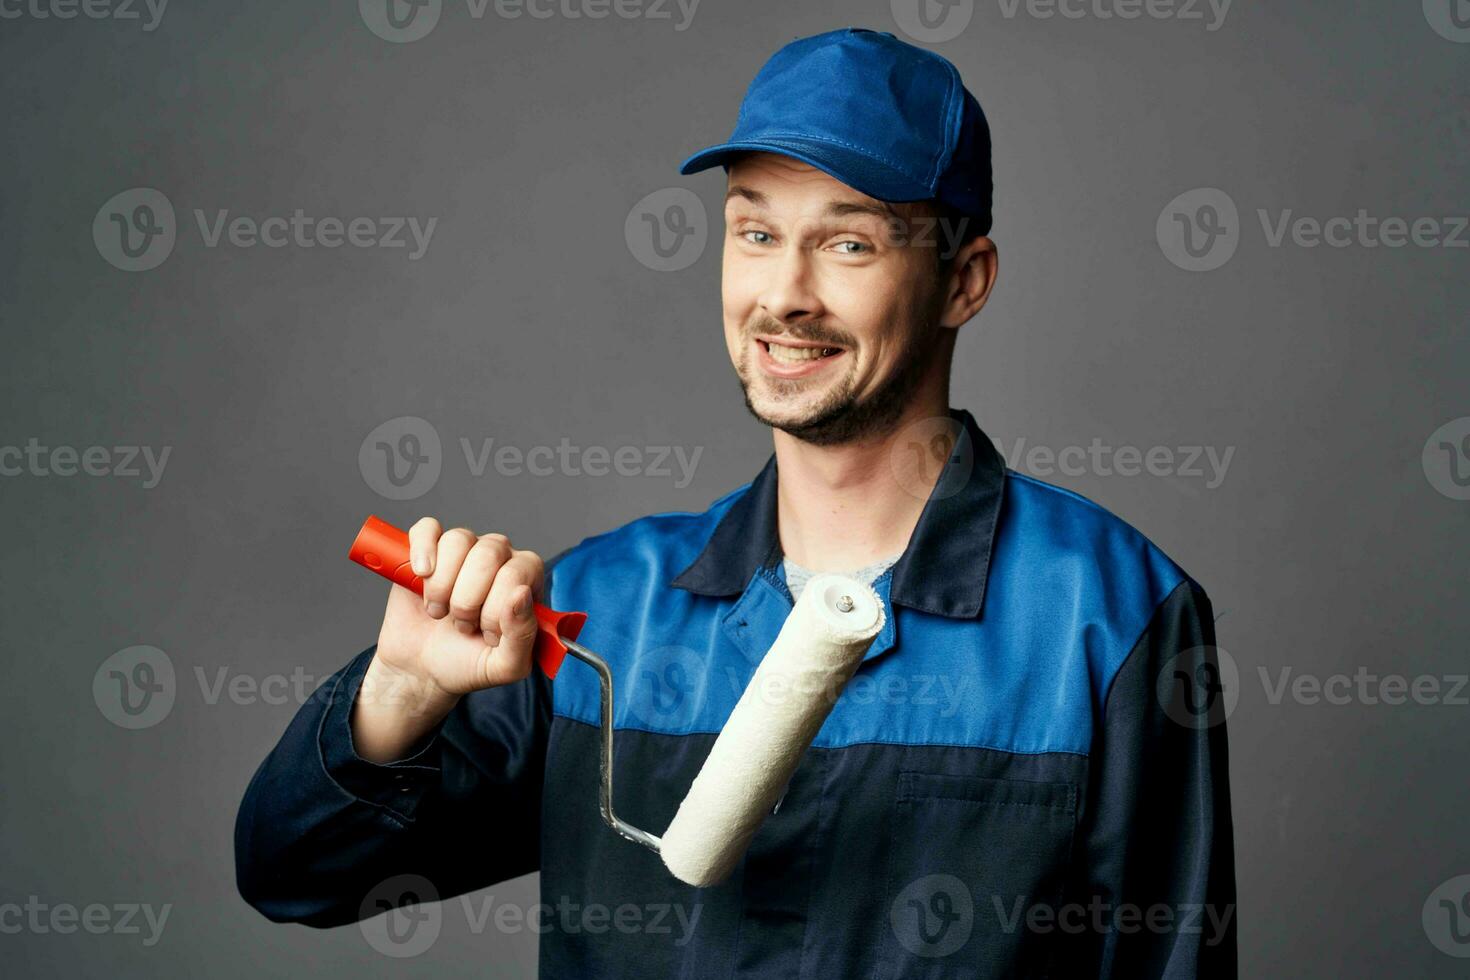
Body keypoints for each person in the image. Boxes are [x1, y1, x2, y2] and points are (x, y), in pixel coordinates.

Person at [235, 27, 1236, 978]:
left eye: (848, 245)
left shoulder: (1108, 618)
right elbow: (294, 872)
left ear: (963, 282)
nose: (784, 294)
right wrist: (402, 689)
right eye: (755, 230)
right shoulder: (601, 613)